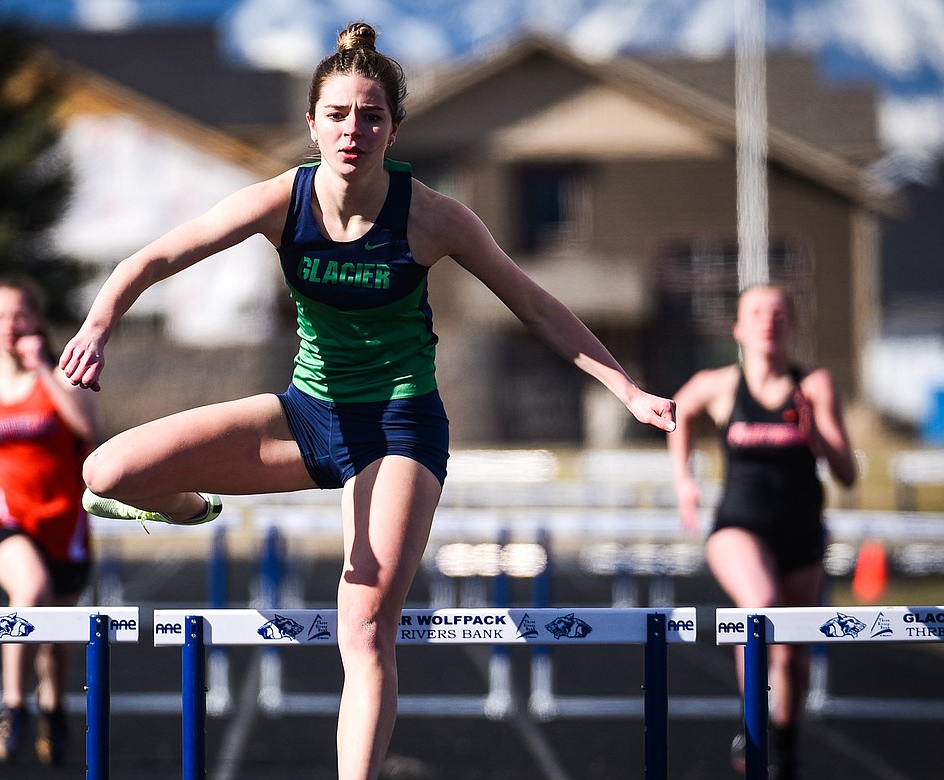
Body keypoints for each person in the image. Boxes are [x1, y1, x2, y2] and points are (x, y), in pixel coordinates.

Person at [59, 22, 676, 780]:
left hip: (399, 424)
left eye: (372, 115)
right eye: (340, 114)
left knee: (365, 625)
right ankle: (190, 508)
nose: (355, 130)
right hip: (310, 414)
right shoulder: (281, 200)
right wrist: (98, 326)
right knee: (105, 474)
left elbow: (536, 304)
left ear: (395, 128)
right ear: (313, 124)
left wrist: (627, 388)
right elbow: (155, 256)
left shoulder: (433, 216)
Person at [669, 284, 856, 779]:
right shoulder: (721, 385)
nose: (767, 321)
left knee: (792, 653)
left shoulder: (813, 386)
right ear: (738, 327)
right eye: (756, 312)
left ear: (791, 324)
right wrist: (684, 479)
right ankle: (751, 726)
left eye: (777, 313)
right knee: (761, 605)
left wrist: (816, 437)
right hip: (738, 527)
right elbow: (677, 410)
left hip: (800, 533)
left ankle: (785, 746)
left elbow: (848, 473)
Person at [0, 274, 97, 766]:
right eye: (0, 316)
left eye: (20, 314)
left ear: (36, 320)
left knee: (54, 634)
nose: (11, 325)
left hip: (62, 517)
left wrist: (42, 370)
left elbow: (89, 428)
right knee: (27, 592)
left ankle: (52, 708)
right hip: (2, 513)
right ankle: (13, 707)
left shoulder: (68, 375)